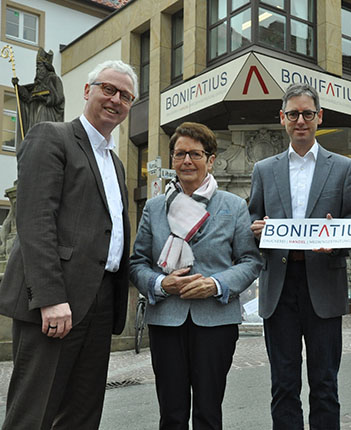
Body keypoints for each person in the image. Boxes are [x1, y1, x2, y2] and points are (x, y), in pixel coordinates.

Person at [0, 60, 136, 429]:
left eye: (125, 96)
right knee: (35, 411)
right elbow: (35, 221)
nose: (116, 100)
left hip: (101, 298)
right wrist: (50, 298)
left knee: (82, 411)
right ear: (88, 90)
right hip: (58, 301)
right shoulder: (51, 136)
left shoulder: (116, 162)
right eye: (108, 89)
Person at [129, 122, 262, 429]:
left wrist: (215, 284)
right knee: (172, 414)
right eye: (180, 154)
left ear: (211, 159)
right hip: (166, 321)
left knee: (208, 411)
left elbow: (250, 261)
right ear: (172, 159)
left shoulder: (233, 205)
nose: (187, 160)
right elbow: (137, 263)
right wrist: (161, 283)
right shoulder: (154, 207)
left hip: (215, 321)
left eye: (195, 154)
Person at [248, 83, 351, 429]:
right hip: (279, 289)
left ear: (319, 118)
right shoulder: (264, 170)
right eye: (294, 114)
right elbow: (251, 224)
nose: (301, 120)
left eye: (308, 114)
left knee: (325, 384)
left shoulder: (343, 167)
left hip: (323, 284)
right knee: (283, 385)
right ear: (282, 119)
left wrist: (337, 238)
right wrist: (256, 230)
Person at [11, 47, 64, 146]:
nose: (38, 70)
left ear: (46, 67)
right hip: (34, 118)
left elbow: (58, 97)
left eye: (40, 67)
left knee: (43, 141)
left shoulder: (54, 79)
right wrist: (17, 87)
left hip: (46, 116)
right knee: (34, 141)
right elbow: (28, 98)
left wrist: (44, 98)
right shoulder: (36, 85)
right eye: (37, 68)